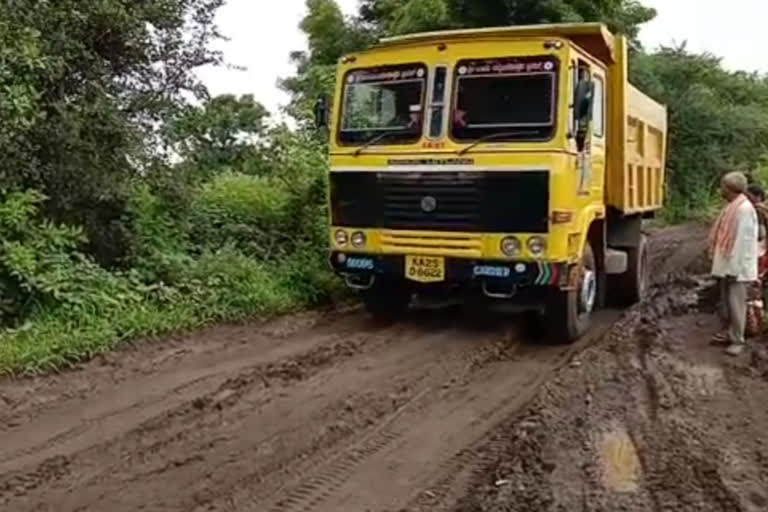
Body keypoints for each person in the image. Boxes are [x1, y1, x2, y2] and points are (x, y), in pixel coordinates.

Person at [709, 172, 759, 356]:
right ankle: (728, 334)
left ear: (729, 188)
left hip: (736, 267)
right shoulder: (733, 207)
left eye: (723, 186)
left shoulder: (743, 210)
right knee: (726, 302)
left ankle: (738, 341)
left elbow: (742, 242)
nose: (721, 189)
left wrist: (734, 269)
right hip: (728, 265)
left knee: (736, 303)